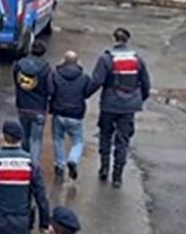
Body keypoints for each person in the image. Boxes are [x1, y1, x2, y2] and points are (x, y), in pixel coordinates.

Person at [91, 27, 152, 189]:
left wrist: (83, 94)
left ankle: (104, 167)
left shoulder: (106, 59)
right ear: (127, 40)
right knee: (123, 139)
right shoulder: (137, 60)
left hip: (109, 104)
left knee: (105, 134)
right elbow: (146, 84)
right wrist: (139, 99)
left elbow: (97, 81)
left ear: (114, 39)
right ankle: (117, 176)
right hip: (129, 106)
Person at [49, 51, 99, 182]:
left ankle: (60, 166)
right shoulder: (84, 77)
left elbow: (51, 91)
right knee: (78, 141)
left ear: (63, 61)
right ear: (77, 62)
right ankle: (73, 159)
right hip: (76, 115)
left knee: (58, 139)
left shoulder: (55, 75)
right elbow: (87, 93)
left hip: (59, 113)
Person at [13, 40, 53, 164]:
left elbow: (16, 82)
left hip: (22, 106)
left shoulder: (19, 65)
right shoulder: (46, 69)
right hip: (38, 108)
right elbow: (50, 89)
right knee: (36, 139)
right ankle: (33, 165)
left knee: (25, 136)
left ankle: (24, 161)